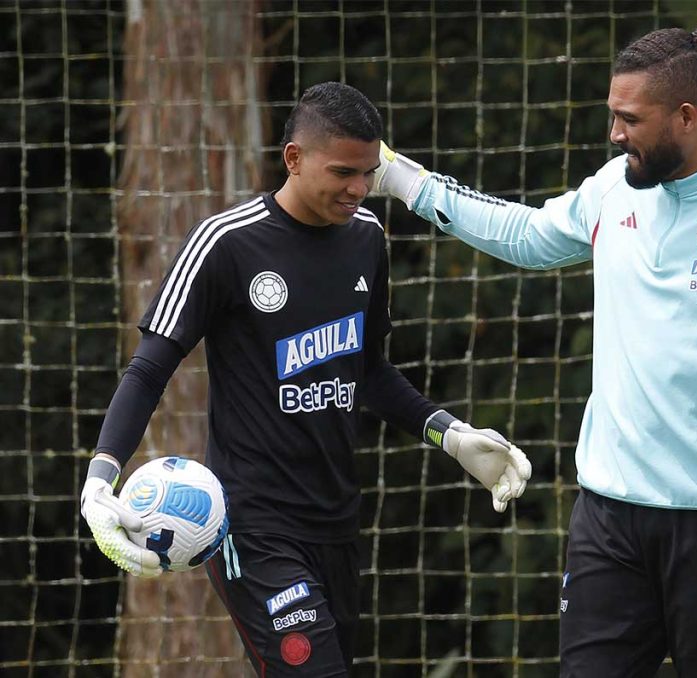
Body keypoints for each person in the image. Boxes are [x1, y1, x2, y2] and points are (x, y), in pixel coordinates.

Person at [79, 82, 532, 676]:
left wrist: (447, 434)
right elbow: (148, 370)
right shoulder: (225, 243)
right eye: (343, 172)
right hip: (253, 524)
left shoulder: (368, 236)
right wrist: (99, 477)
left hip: (338, 521)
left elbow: (367, 372)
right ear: (293, 159)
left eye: (369, 173)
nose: (358, 188)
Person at [375, 24, 697, 676]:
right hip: (608, 516)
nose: (614, 133)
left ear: (687, 116)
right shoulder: (611, 188)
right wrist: (409, 183)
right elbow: (526, 235)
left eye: (628, 119)